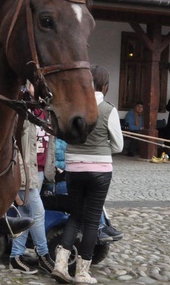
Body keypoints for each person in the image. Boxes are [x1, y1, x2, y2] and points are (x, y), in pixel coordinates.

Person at [52, 65, 123, 284]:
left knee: (75, 216)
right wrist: (101, 149)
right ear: (106, 85)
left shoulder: (73, 106)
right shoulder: (108, 109)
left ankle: (60, 265)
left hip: (74, 167)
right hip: (100, 169)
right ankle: (81, 272)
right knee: (91, 221)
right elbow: (119, 145)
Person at [8, 86, 55, 275]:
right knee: (38, 213)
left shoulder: (48, 113)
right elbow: (14, 144)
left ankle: (16, 257)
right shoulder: (23, 111)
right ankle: (44, 256)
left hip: (41, 172)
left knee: (24, 215)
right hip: (25, 174)